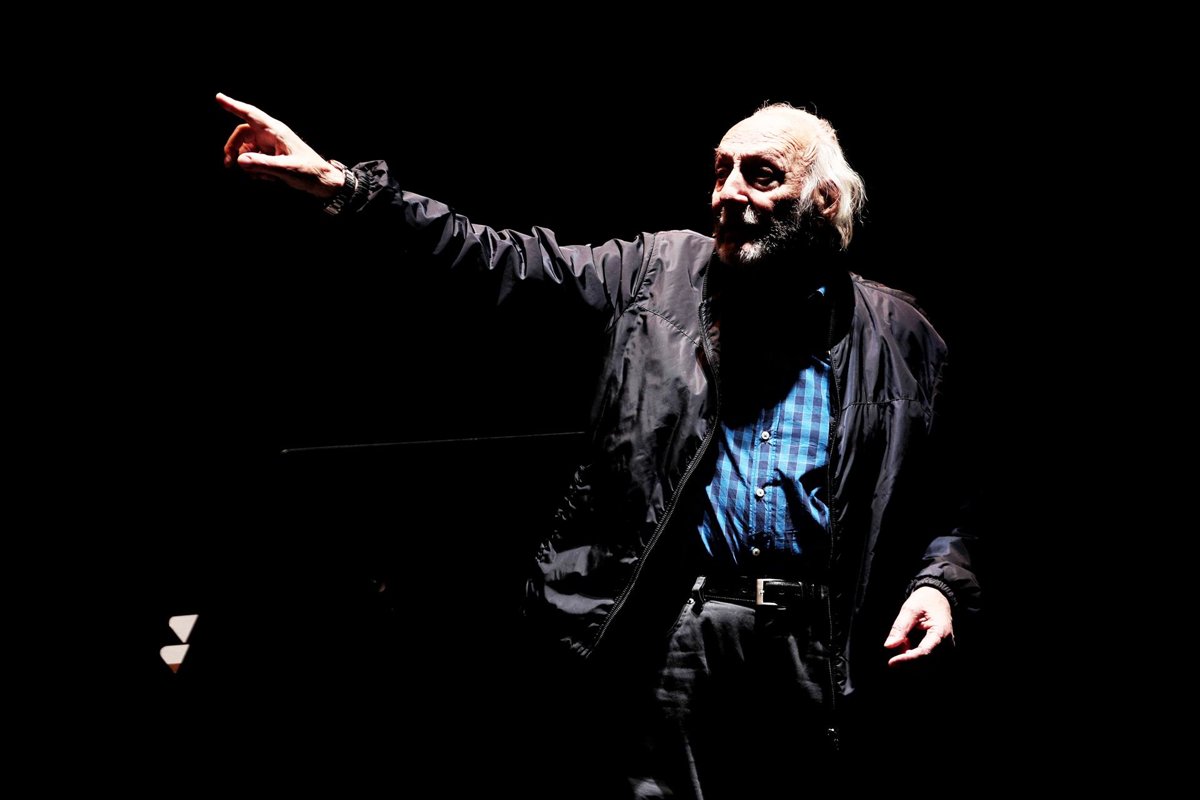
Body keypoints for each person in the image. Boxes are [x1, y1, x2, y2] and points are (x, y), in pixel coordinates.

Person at [217, 92, 981, 795]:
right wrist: (345, 188)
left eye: (760, 175)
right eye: (721, 171)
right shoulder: (658, 273)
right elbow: (498, 259)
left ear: (823, 200)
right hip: (680, 634)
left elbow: (952, 503)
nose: (728, 193)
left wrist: (939, 585)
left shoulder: (901, 336)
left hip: (819, 648)